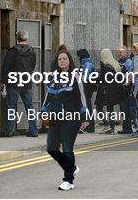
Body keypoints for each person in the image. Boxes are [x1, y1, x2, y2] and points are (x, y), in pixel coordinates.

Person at [43, 50, 89, 190]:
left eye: (64, 59)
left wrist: (85, 117)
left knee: (67, 148)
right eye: (59, 59)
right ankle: (72, 167)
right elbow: (48, 97)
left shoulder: (75, 76)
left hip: (72, 117)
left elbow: (81, 97)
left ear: (69, 60)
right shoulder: (54, 77)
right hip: (56, 118)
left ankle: (68, 180)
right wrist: (43, 113)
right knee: (51, 148)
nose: (62, 61)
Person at [1, 30, 37, 137]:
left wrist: (3, 81)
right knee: (30, 107)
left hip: (13, 83)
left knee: (11, 107)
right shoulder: (32, 51)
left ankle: (9, 131)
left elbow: (6, 67)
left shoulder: (12, 51)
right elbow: (33, 66)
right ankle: (34, 131)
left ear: (17, 38)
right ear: (27, 38)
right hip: (26, 82)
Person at [95, 49, 123, 134]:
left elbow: (104, 79)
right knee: (110, 109)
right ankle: (112, 127)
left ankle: (106, 124)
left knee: (98, 108)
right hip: (113, 90)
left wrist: (98, 75)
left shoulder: (105, 65)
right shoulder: (115, 63)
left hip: (104, 90)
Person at [117, 45, 133, 134]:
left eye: (120, 52)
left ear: (125, 53)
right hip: (120, 88)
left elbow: (130, 74)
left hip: (125, 88)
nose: (119, 54)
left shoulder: (128, 62)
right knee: (122, 109)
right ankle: (125, 128)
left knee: (126, 108)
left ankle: (128, 128)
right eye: (118, 52)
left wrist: (125, 82)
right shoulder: (118, 61)